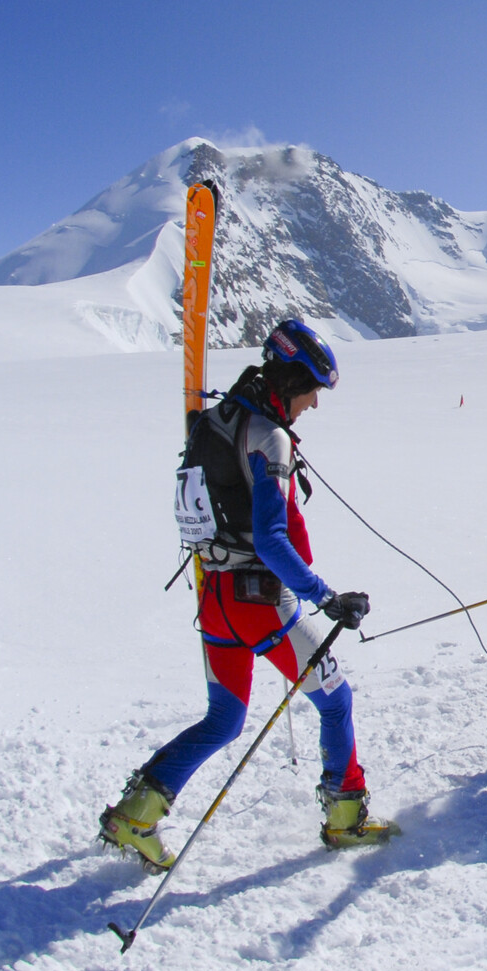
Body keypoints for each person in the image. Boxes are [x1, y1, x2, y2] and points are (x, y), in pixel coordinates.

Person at [100, 320, 393, 873]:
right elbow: (270, 538)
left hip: (214, 597)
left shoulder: (212, 421)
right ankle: (345, 817)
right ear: (292, 378)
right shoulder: (269, 436)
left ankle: (136, 813)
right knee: (335, 696)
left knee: (224, 719)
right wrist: (324, 596)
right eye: (313, 390)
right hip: (261, 602)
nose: (313, 404)